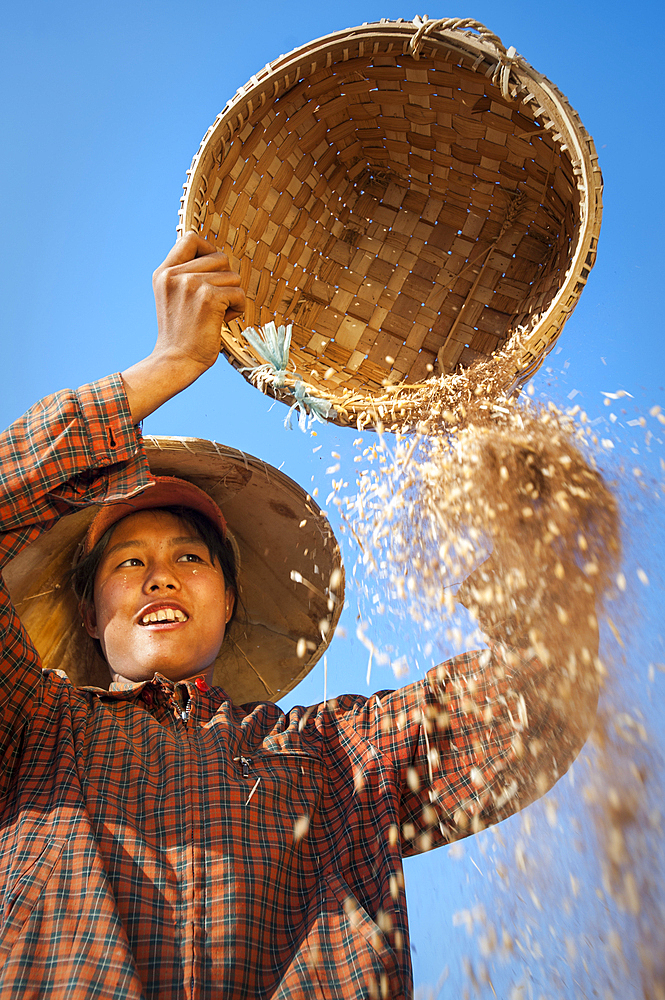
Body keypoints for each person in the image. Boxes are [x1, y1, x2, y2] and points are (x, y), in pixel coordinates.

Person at [0, 233, 599, 999]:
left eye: (190, 558)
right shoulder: (31, 732)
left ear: (228, 602)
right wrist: (164, 370)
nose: (159, 577)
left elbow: (536, 696)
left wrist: (545, 527)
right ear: (89, 613)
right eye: (127, 563)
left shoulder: (335, 757)